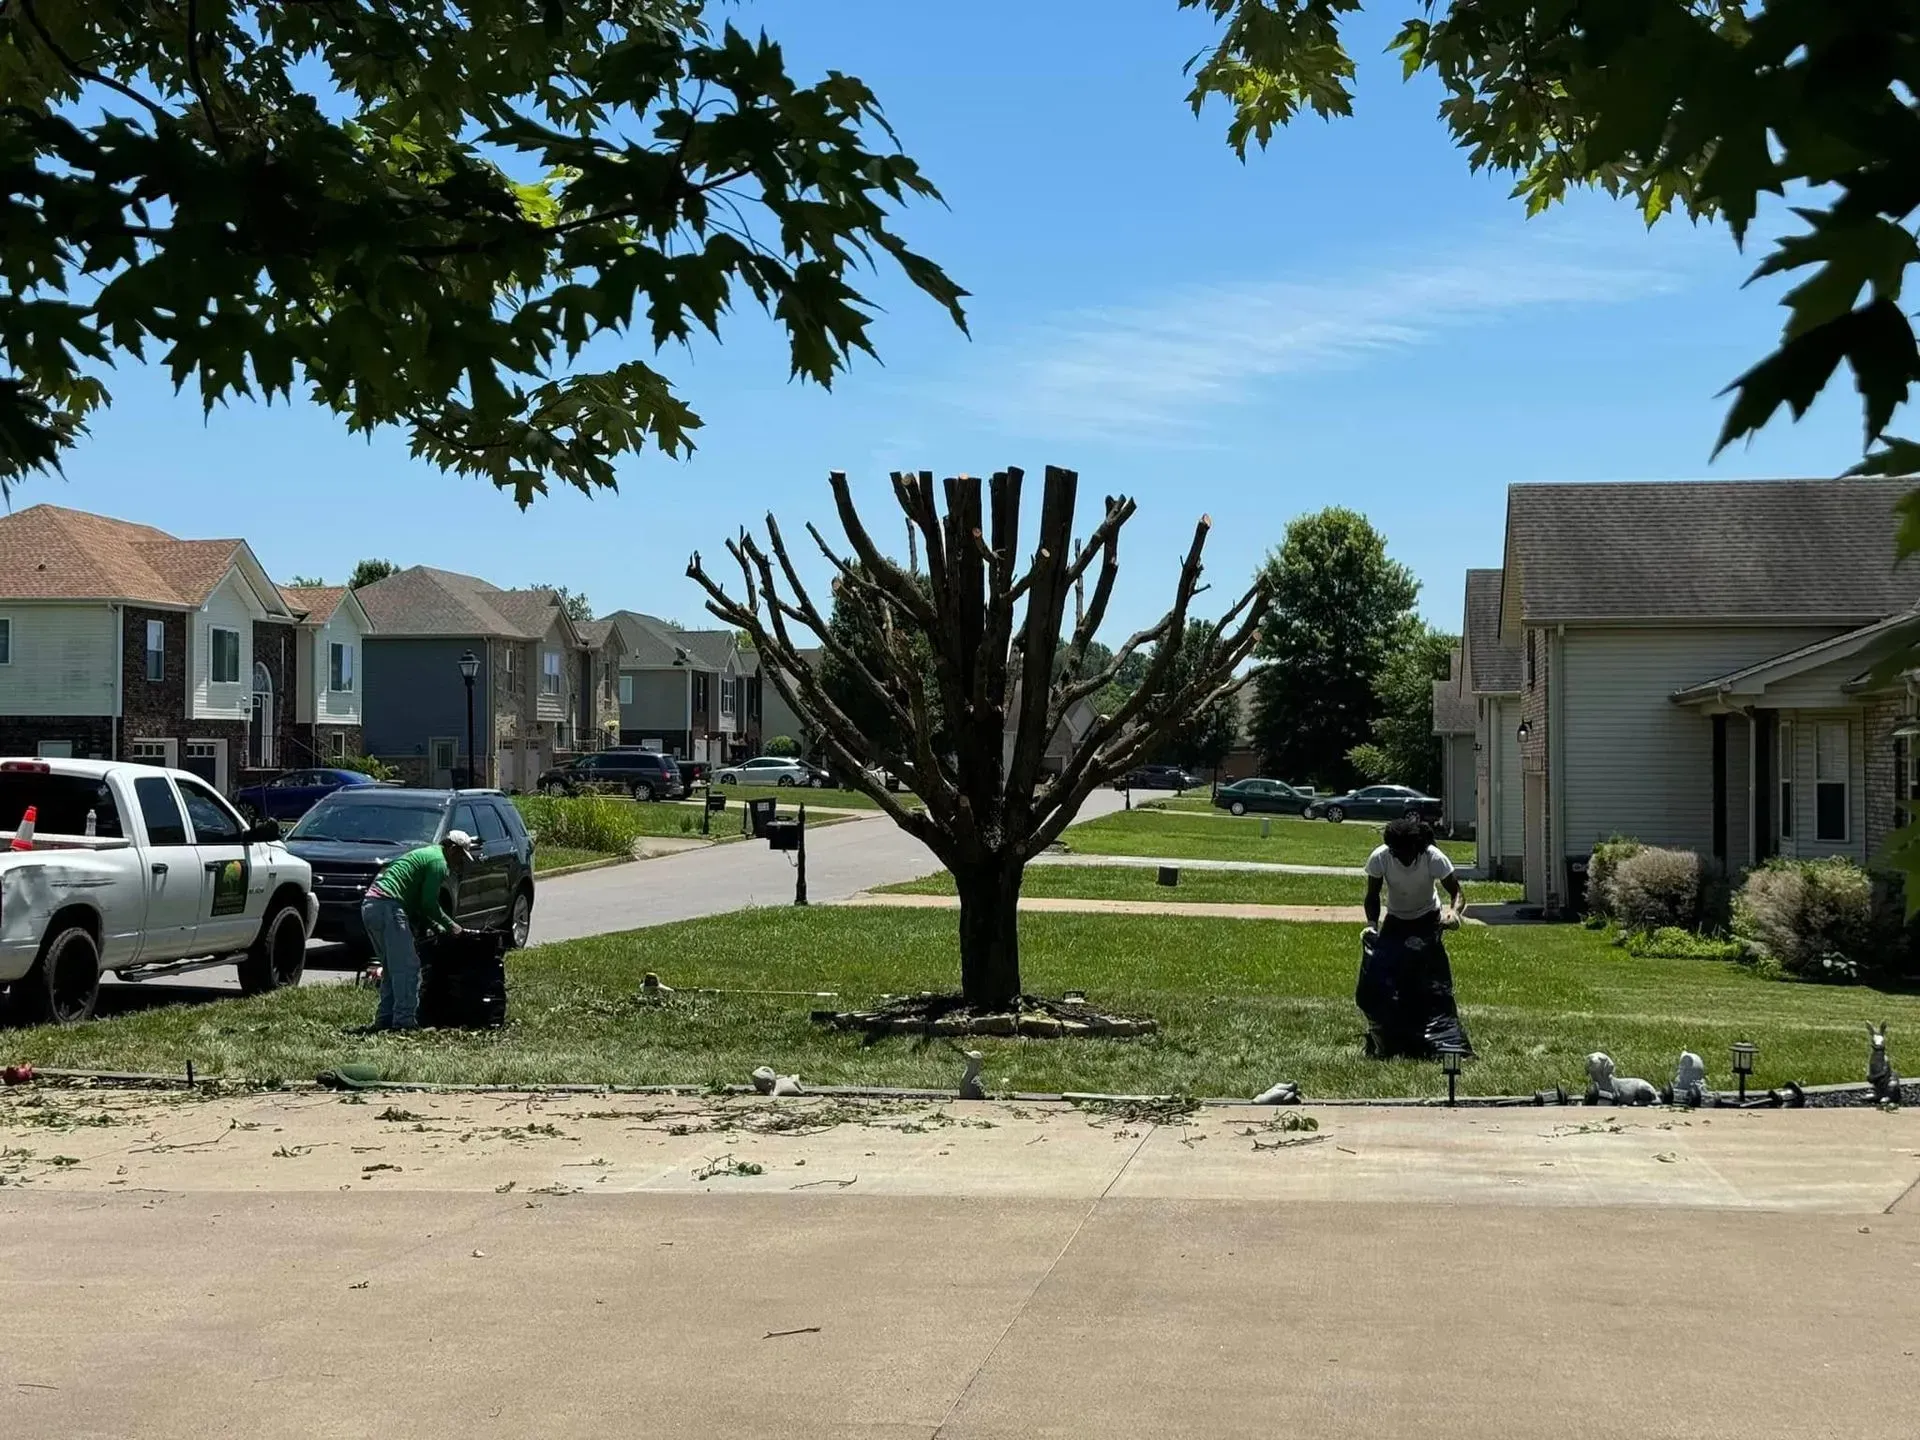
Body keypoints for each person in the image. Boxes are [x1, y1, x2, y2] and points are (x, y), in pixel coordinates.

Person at [1357, 816, 1473, 1058]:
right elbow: (1372, 895)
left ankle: (1437, 1037)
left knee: (1429, 980)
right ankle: (1390, 1037)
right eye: (1397, 854)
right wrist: (1371, 926)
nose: (1403, 859)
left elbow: (1456, 891)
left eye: (1407, 853)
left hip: (1427, 919)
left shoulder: (1432, 857)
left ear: (1417, 847)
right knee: (1383, 978)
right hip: (1396, 920)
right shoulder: (1380, 857)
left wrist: (1454, 913)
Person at [361, 830, 475, 1031]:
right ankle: (404, 1023)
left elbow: (418, 905)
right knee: (408, 968)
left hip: (371, 905)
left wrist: (436, 927)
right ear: (452, 848)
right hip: (389, 906)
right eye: (460, 855)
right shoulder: (438, 863)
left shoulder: (427, 854)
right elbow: (429, 903)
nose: (459, 862)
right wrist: (452, 926)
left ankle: (385, 1020)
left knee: (392, 969)